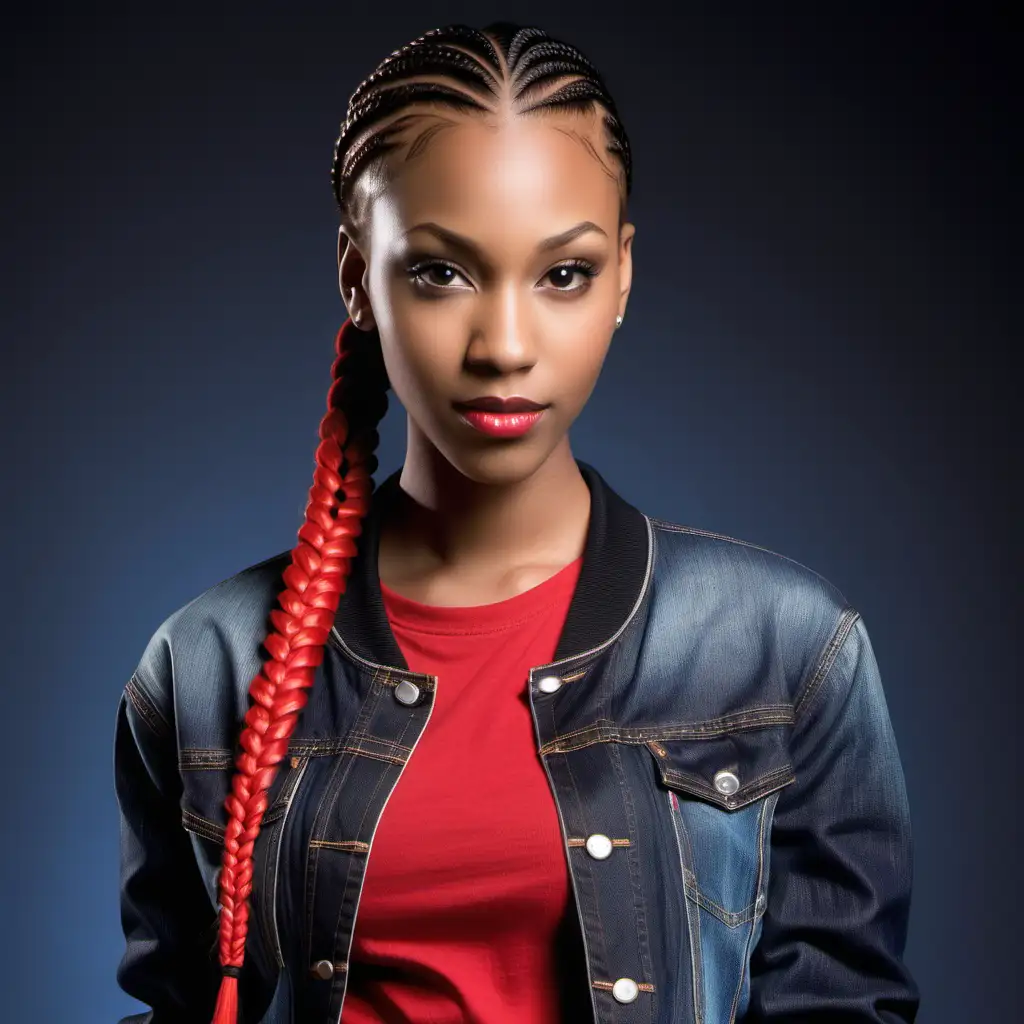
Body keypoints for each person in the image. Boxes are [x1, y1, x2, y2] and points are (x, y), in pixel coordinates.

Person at [114, 19, 920, 1024]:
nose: (504, 344)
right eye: (440, 272)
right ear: (355, 275)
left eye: (563, 274)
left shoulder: (789, 652)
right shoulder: (202, 668)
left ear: (621, 275)